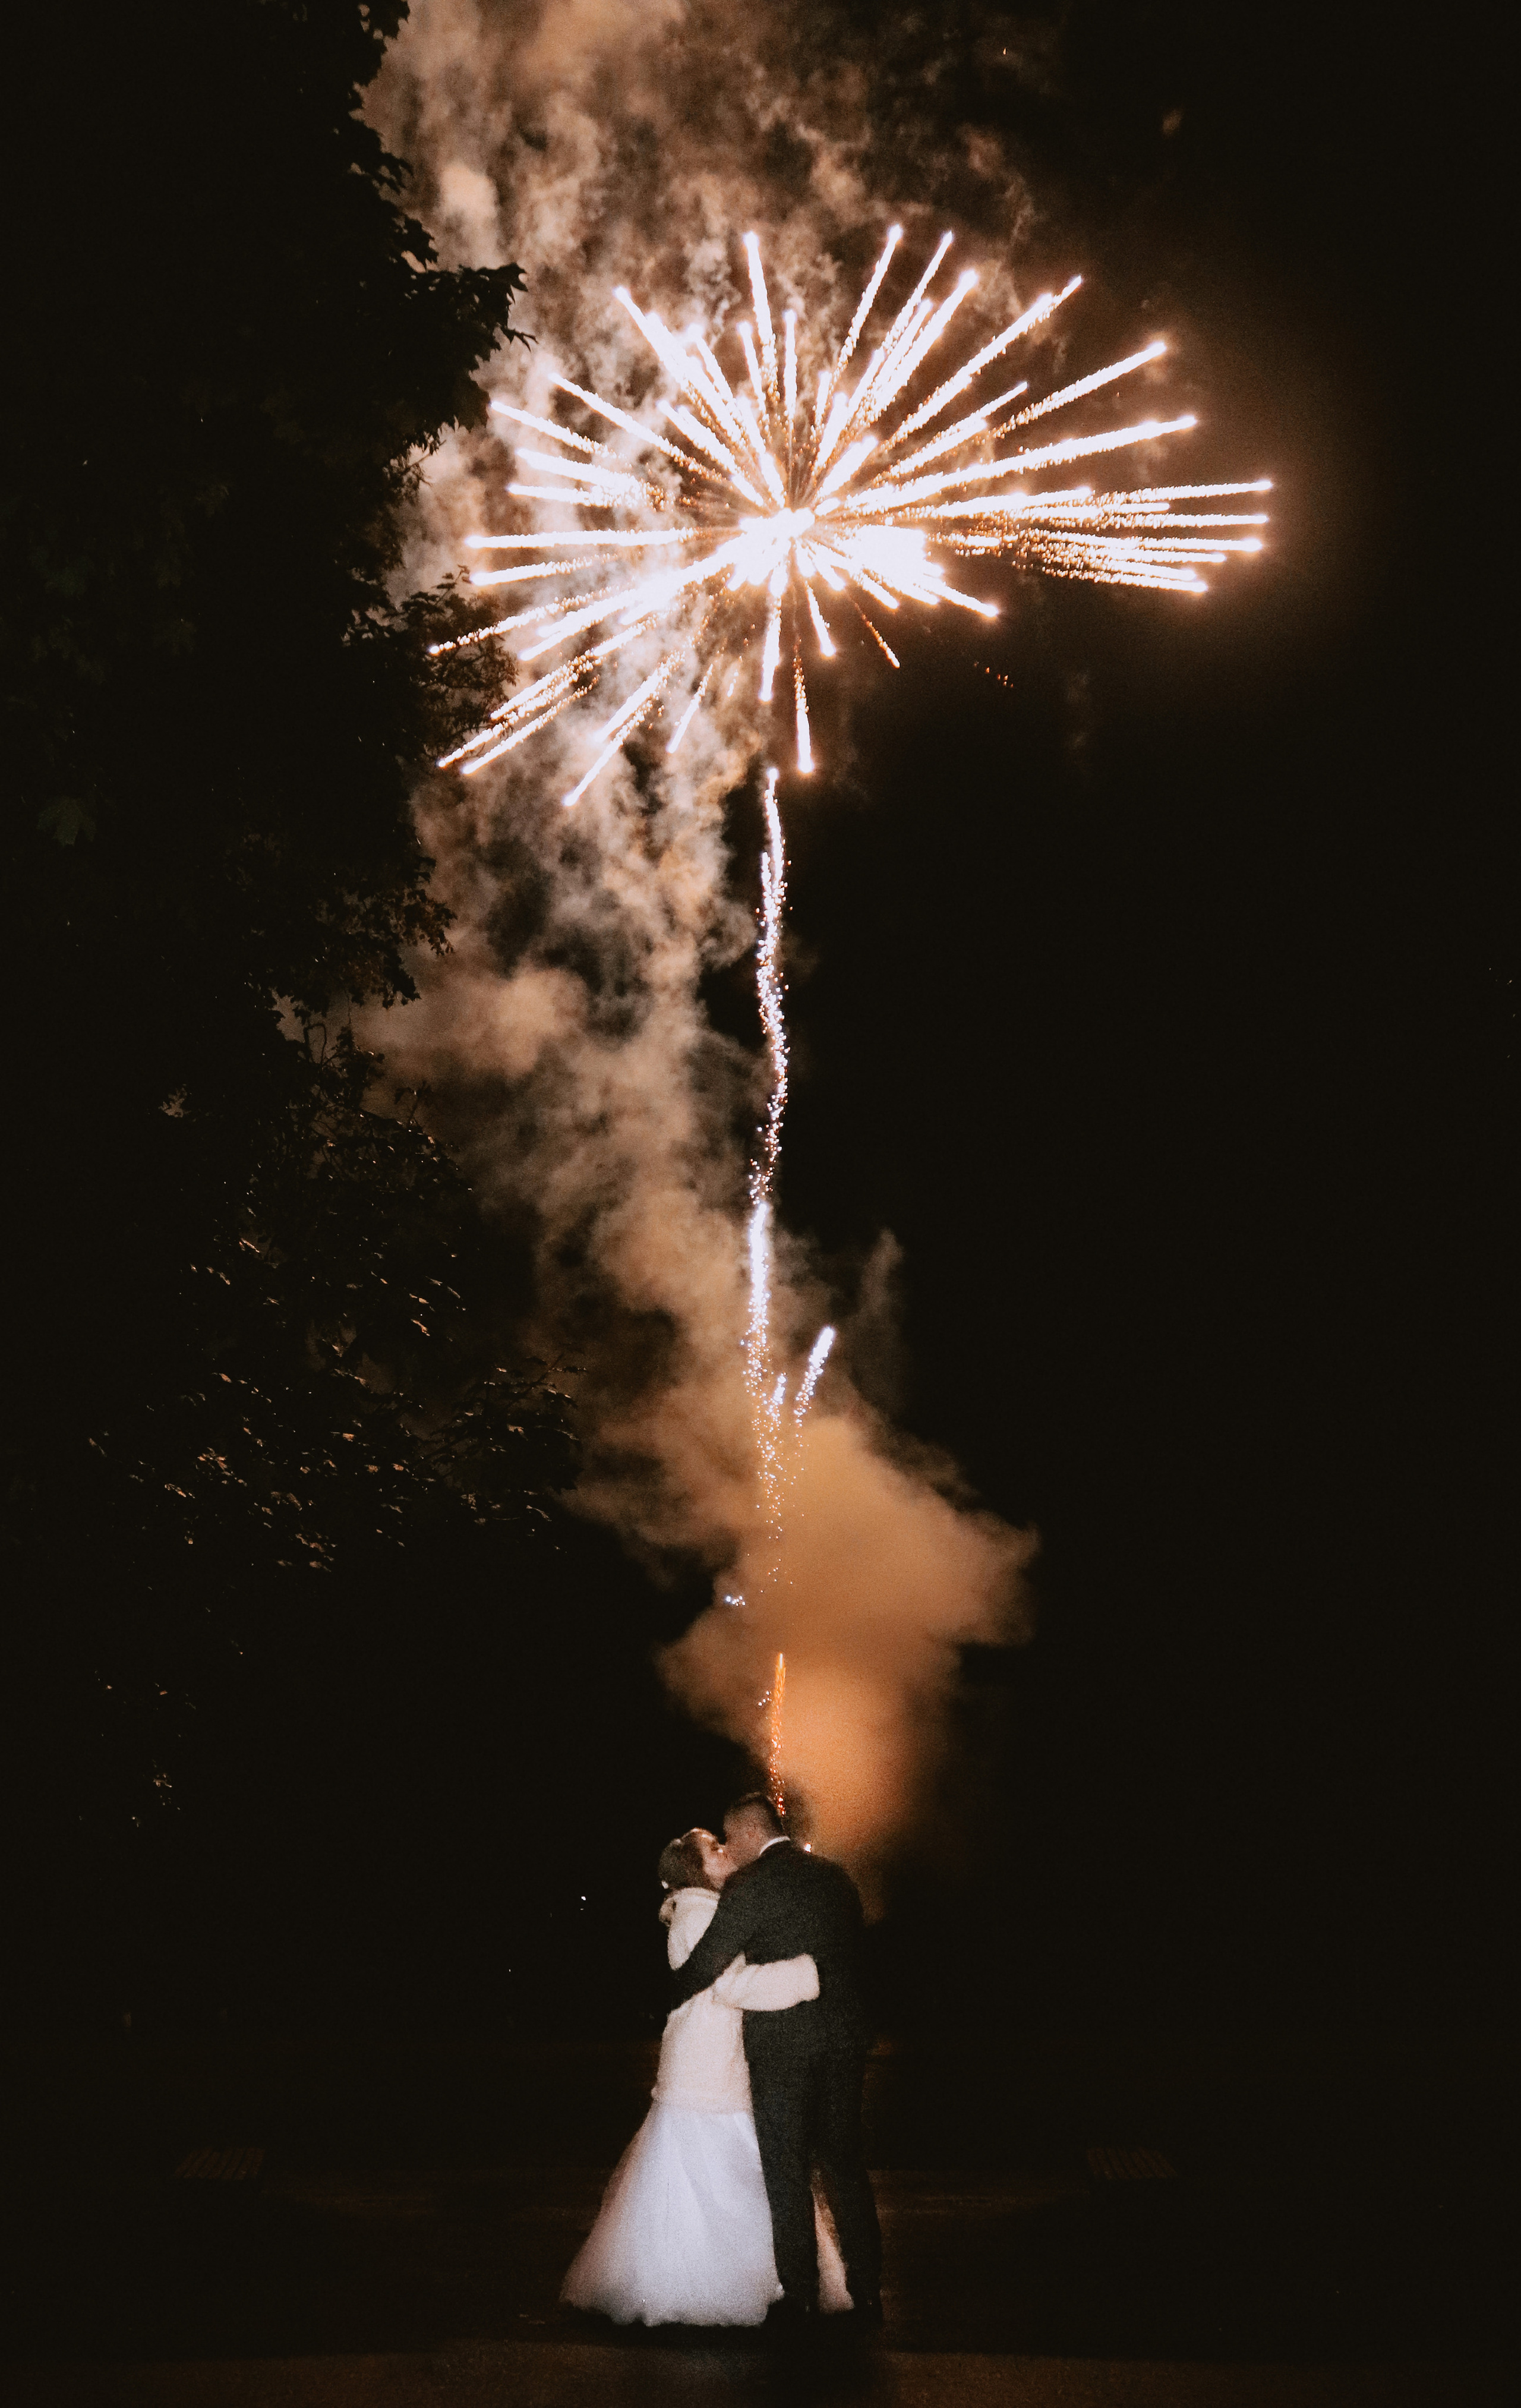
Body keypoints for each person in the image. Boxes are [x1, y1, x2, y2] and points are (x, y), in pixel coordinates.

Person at [561, 1824, 850, 2327]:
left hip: (710, 2065)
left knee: (722, 2172)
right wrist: (809, 1973)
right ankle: (718, 2286)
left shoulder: (702, 1912)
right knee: (730, 2170)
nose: (725, 1851)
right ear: (697, 1869)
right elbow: (732, 1985)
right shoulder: (698, 1916)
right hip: (706, 2071)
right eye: (714, 1848)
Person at [668, 1792, 882, 2325]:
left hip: (783, 2049)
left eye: (729, 1838)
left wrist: (668, 1991)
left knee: (785, 2168)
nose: (728, 1848)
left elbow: (705, 1968)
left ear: (745, 1834)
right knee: (844, 2162)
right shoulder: (835, 1877)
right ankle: (869, 2289)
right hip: (845, 2039)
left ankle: (802, 2295)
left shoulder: (750, 1886)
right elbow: (858, 1954)